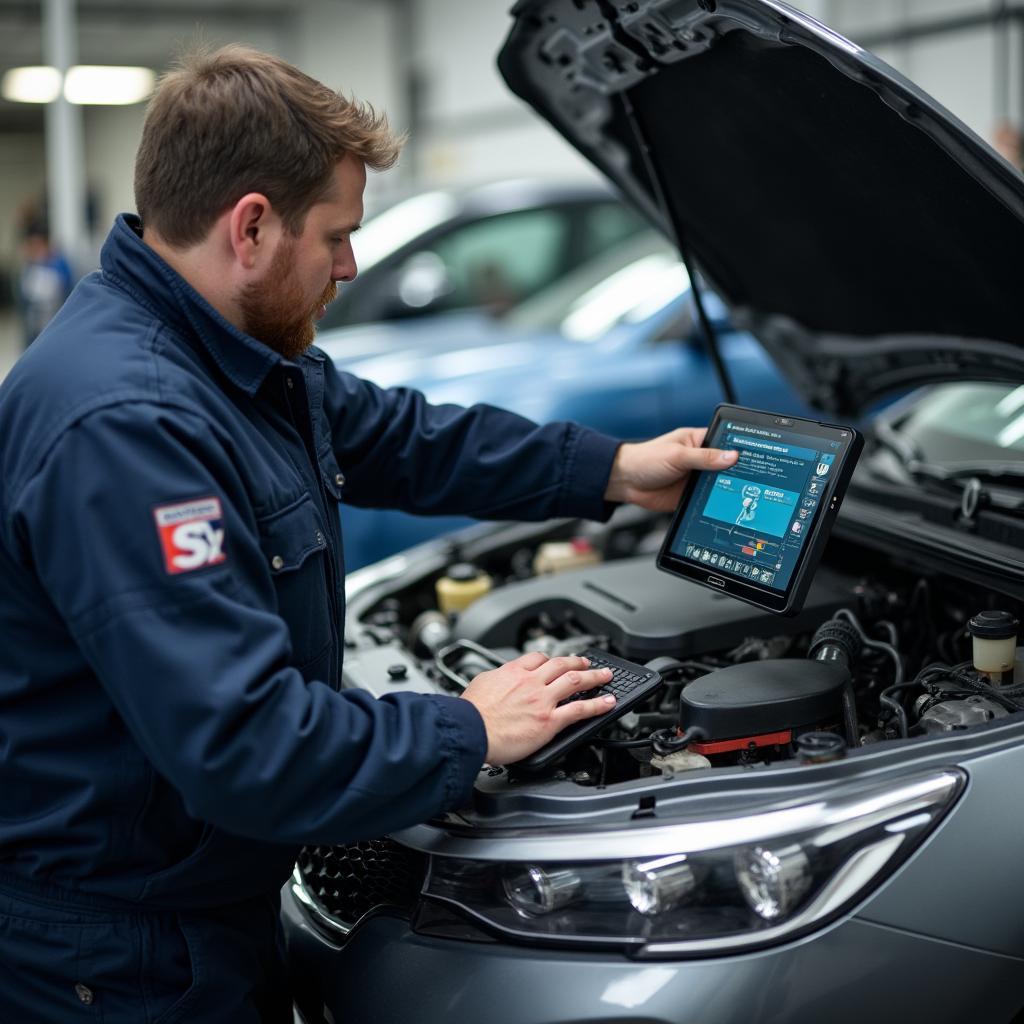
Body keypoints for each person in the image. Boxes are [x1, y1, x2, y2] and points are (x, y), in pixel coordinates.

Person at [0, 45, 738, 1022]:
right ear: (251, 226)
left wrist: (608, 468)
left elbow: (405, 438)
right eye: (338, 236)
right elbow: (245, 746)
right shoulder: (127, 427)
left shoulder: (226, 355)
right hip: (116, 961)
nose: (350, 265)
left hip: (185, 906)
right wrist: (469, 727)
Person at [15, 219, 74, 347]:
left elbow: (66, 290)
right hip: (34, 327)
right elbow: (22, 297)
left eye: (37, 244)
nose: (34, 249)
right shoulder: (29, 266)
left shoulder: (59, 263)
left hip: (55, 324)